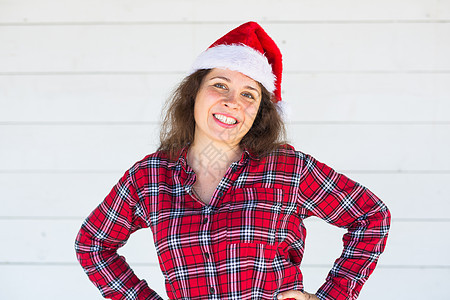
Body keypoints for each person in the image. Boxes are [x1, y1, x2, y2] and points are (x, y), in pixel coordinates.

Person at [75, 21, 391, 300]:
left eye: (248, 94)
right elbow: (93, 244)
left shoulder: (289, 169)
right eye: (219, 85)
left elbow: (372, 216)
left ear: (259, 113)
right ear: (194, 94)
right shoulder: (150, 177)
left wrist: (333, 296)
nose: (231, 102)